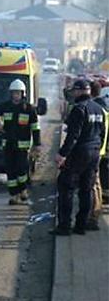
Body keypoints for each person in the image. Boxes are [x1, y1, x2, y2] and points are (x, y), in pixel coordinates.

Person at [54, 79, 107, 235]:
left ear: (78, 91)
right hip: (95, 152)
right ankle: (81, 225)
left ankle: (64, 226)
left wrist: (62, 154)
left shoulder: (78, 109)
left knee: (66, 187)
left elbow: (73, 136)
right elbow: (103, 134)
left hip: (79, 153)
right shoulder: (99, 109)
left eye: (74, 91)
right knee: (86, 190)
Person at [0, 79, 42, 205]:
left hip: (22, 147)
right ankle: (14, 195)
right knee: (10, 171)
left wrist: (37, 144)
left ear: (23, 94)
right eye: (14, 93)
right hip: (8, 144)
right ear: (11, 94)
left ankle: (23, 190)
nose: (16, 95)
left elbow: (35, 127)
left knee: (21, 170)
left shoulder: (29, 109)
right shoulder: (6, 106)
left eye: (18, 93)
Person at [91, 81, 109, 205]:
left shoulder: (96, 107)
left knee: (95, 181)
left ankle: (95, 211)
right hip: (104, 147)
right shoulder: (104, 108)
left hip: (98, 148)